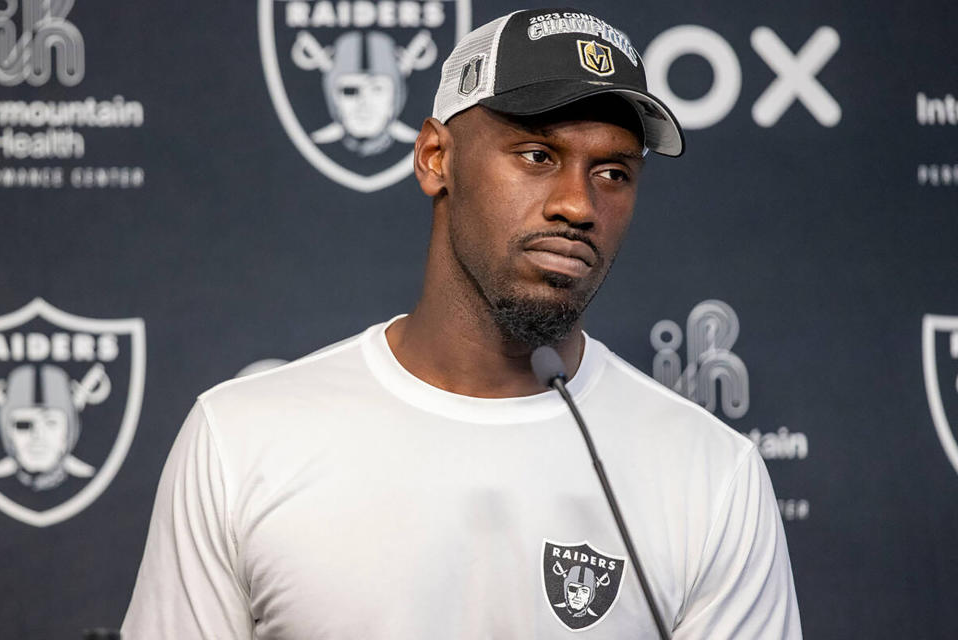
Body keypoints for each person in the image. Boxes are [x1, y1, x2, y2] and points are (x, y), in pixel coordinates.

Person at [123, 7, 801, 639]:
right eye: (538, 155)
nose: (578, 204)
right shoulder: (241, 439)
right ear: (434, 158)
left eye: (614, 172)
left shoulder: (712, 474)